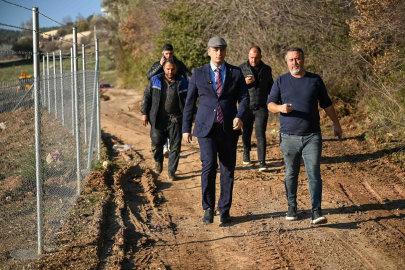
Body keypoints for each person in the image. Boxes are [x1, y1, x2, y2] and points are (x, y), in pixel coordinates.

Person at [267, 47, 342, 225]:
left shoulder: (315, 79)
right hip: (288, 137)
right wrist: (280, 108)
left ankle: (316, 211)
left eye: (298, 59)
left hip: (312, 136)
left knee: (314, 173)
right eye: (291, 60)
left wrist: (336, 123)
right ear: (287, 62)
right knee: (291, 174)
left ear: (303, 59)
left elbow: (327, 104)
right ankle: (292, 206)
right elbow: (270, 104)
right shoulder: (281, 81)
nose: (295, 63)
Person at [182, 37, 250, 224]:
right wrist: (186, 128)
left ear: (225, 51)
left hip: (229, 127)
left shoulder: (236, 73)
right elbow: (189, 102)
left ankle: (224, 209)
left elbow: (244, 98)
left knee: (228, 169)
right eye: (215, 49)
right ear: (209, 51)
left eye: (222, 49)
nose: (219, 52)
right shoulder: (198, 73)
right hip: (206, 128)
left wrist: (240, 115)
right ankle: (208, 208)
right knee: (209, 165)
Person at [141, 58, 188, 181]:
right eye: (168, 69)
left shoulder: (182, 82)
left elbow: (189, 101)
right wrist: (144, 113)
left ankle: (172, 171)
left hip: (176, 118)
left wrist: (192, 113)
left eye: (173, 69)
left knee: (175, 147)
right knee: (156, 144)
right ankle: (158, 161)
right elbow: (147, 96)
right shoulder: (155, 80)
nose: (170, 71)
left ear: (176, 69)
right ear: (163, 68)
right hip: (158, 118)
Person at [147, 44, 192, 158]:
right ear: (163, 53)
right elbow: (149, 76)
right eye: (166, 54)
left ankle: (169, 149)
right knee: (159, 130)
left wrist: (192, 84)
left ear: (173, 53)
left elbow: (187, 74)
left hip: (175, 96)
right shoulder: (158, 64)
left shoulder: (178, 64)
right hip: (158, 97)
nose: (168, 56)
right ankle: (163, 147)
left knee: (173, 128)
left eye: (170, 53)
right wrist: (160, 65)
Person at [239, 46, 274, 171]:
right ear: (248, 56)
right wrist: (244, 82)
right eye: (251, 57)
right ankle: (246, 153)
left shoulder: (266, 69)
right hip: (246, 107)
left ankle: (262, 162)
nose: (253, 60)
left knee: (260, 134)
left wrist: (276, 101)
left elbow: (272, 88)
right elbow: (234, 87)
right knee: (246, 132)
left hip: (261, 107)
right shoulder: (241, 69)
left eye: (256, 58)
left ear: (261, 57)